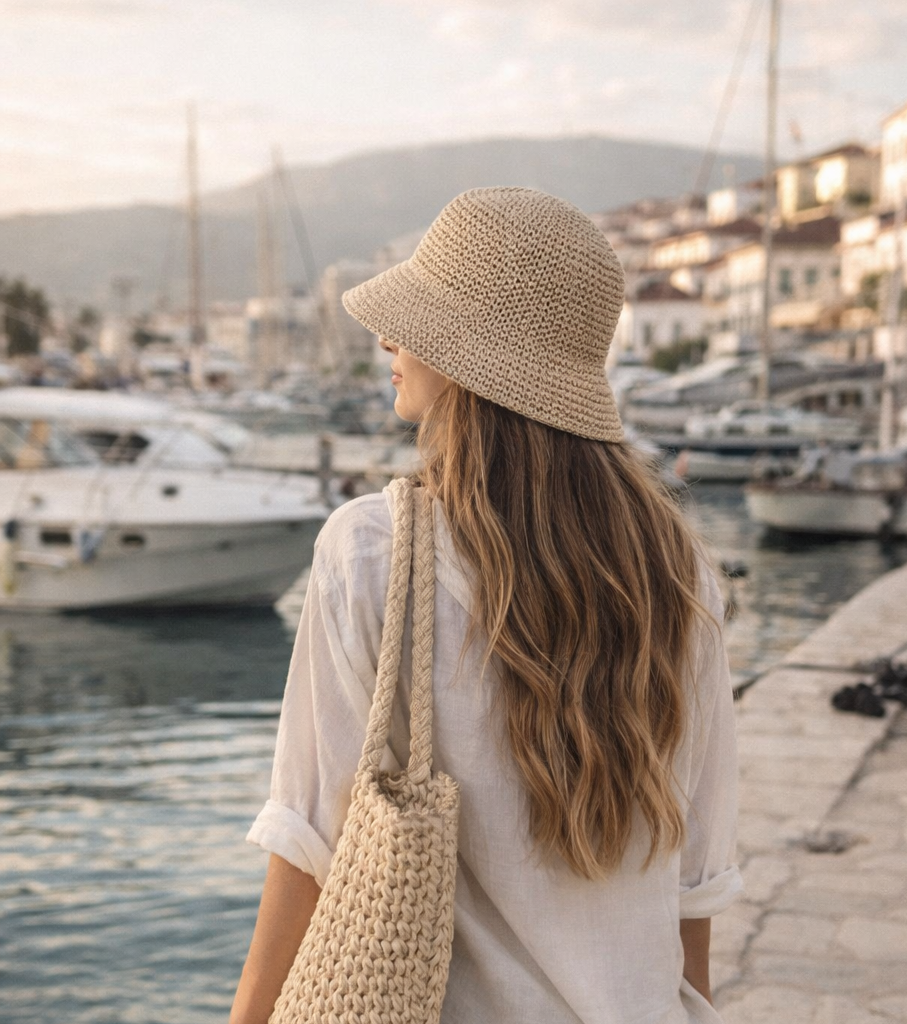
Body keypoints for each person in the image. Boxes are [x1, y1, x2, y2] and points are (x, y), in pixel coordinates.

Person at [231, 187, 741, 1024]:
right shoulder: (678, 573)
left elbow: (308, 846)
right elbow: (694, 888)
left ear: (470, 357)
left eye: (417, 323)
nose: (388, 339)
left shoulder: (372, 553)